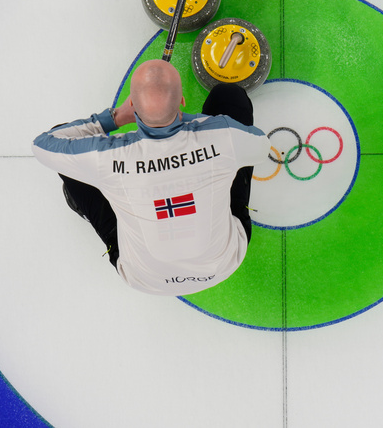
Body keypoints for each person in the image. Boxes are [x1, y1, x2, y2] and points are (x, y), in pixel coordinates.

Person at [31, 60, 269, 295]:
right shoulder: (222, 135)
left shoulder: (108, 155)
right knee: (229, 96)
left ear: (133, 105)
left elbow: (43, 146)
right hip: (223, 264)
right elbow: (260, 146)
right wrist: (194, 125)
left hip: (146, 278)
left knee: (73, 155)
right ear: (182, 101)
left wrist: (115, 118)